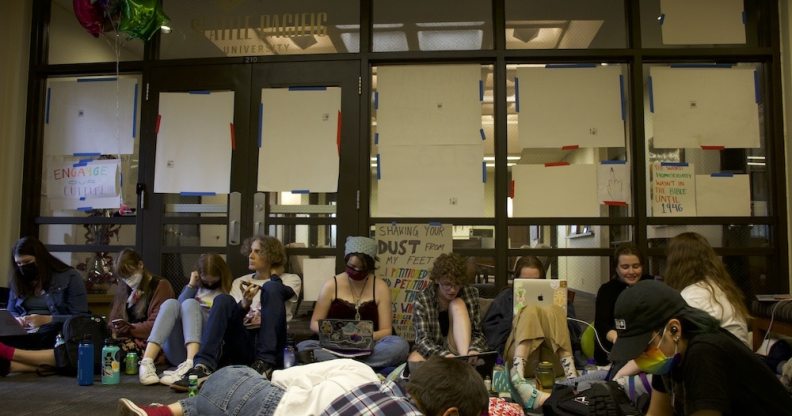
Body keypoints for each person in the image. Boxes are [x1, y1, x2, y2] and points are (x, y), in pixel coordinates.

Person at [610, 280, 792, 415]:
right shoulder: (670, 353)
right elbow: (658, 413)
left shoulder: (705, 353)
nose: (641, 358)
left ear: (674, 329)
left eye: (644, 347)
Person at [117, 356, 489, 416]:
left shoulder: (362, 373)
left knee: (231, 379)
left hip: (255, 397)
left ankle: (166, 410)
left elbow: (282, 377)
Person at [171, 235, 301, 390]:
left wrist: (274, 276)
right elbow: (233, 319)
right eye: (251, 251)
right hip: (243, 342)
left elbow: (280, 293)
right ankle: (203, 366)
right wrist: (244, 305)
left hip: (271, 345)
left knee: (271, 288)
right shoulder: (240, 281)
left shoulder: (290, 279)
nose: (250, 256)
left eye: (257, 252)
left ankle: (265, 365)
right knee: (222, 300)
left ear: (271, 256)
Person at [480, 256, 578, 411]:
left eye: (536, 282)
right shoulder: (504, 298)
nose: (531, 286)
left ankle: (572, 376)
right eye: (525, 282)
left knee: (554, 309)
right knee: (529, 309)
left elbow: (574, 337)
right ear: (516, 280)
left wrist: (552, 317)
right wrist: (518, 315)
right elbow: (493, 339)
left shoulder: (559, 298)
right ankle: (517, 377)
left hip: (553, 361)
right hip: (517, 361)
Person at [296, 236, 409, 369]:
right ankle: (359, 367)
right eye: (353, 267)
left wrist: (362, 337)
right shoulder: (331, 285)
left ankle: (341, 366)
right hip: (334, 345)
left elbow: (386, 330)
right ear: (346, 260)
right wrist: (338, 336)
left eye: (362, 268)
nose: (357, 271)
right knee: (304, 347)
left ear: (370, 266)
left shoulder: (380, 287)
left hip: (369, 346)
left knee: (400, 346)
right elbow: (314, 324)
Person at [137, 254, 233, 385]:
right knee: (171, 303)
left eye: (213, 281)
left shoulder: (228, 291)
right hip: (179, 348)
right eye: (206, 281)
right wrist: (191, 285)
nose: (210, 284)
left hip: (205, 352)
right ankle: (147, 362)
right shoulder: (194, 288)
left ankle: (191, 363)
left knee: (191, 304)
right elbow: (178, 309)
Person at [0, 236, 90, 375]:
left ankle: (12, 358)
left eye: (27, 262)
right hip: (25, 334)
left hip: (53, 332)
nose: (23, 267)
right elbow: (11, 313)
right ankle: (36, 366)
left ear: (40, 259)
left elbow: (81, 318)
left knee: (59, 342)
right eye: (19, 264)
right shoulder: (18, 280)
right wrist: (16, 321)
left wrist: (48, 319)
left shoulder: (70, 276)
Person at [664, 232, 750, 347]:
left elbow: (673, 346)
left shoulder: (692, 296)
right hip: (737, 358)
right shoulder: (719, 288)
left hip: (720, 360)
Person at [409, 253, 488, 363]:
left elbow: (478, 333)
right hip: (436, 350)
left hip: (461, 348)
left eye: (457, 284)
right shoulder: (423, 299)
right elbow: (423, 340)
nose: (452, 290)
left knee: (457, 304)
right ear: (437, 280)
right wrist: (445, 355)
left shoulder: (469, 292)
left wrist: (474, 350)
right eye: (447, 284)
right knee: (414, 360)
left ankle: (464, 361)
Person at [108, 248, 176, 362]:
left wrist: (129, 329)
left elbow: (156, 326)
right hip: (128, 339)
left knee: (114, 354)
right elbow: (113, 319)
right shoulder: (124, 288)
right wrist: (116, 328)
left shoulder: (160, 286)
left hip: (152, 345)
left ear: (140, 265)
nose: (128, 281)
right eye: (124, 277)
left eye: (130, 274)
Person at [593, 243, 653, 365]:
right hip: (614, 348)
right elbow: (601, 324)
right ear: (616, 268)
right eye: (625, 267)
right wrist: (616, 338)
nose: (631, 272)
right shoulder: (607, 290)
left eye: (636, 266)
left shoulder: (652, 285)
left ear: (642, 266)